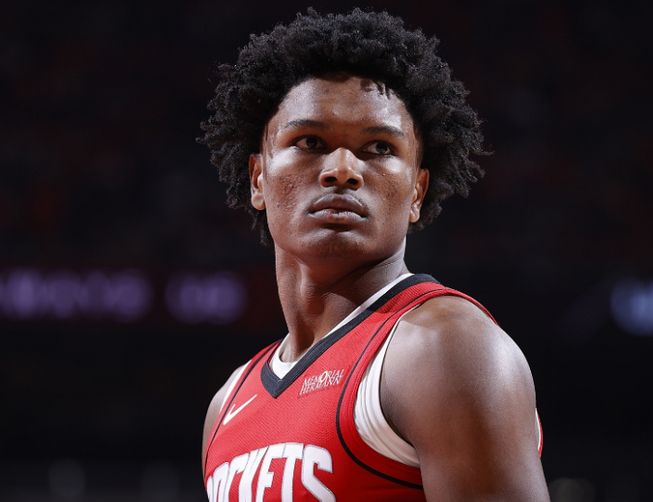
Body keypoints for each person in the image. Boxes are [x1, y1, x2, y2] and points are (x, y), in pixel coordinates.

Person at [199, 8, 549, 501]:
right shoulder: (229, 402)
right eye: (310, 142)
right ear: (258, 178)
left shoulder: (445, 347)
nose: (342, 169)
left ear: (417, 192)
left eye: (380, 148)